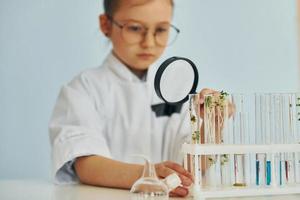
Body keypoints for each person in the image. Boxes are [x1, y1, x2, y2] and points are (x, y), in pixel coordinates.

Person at [49, 0, 217, 197]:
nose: (149, 42)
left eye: (161, 30)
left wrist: (213, 124)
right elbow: (86, 164)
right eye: (135, 28)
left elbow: (195, 166)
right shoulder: (83, 88)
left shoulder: (178, 89)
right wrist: (148, 175)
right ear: (105, 25)